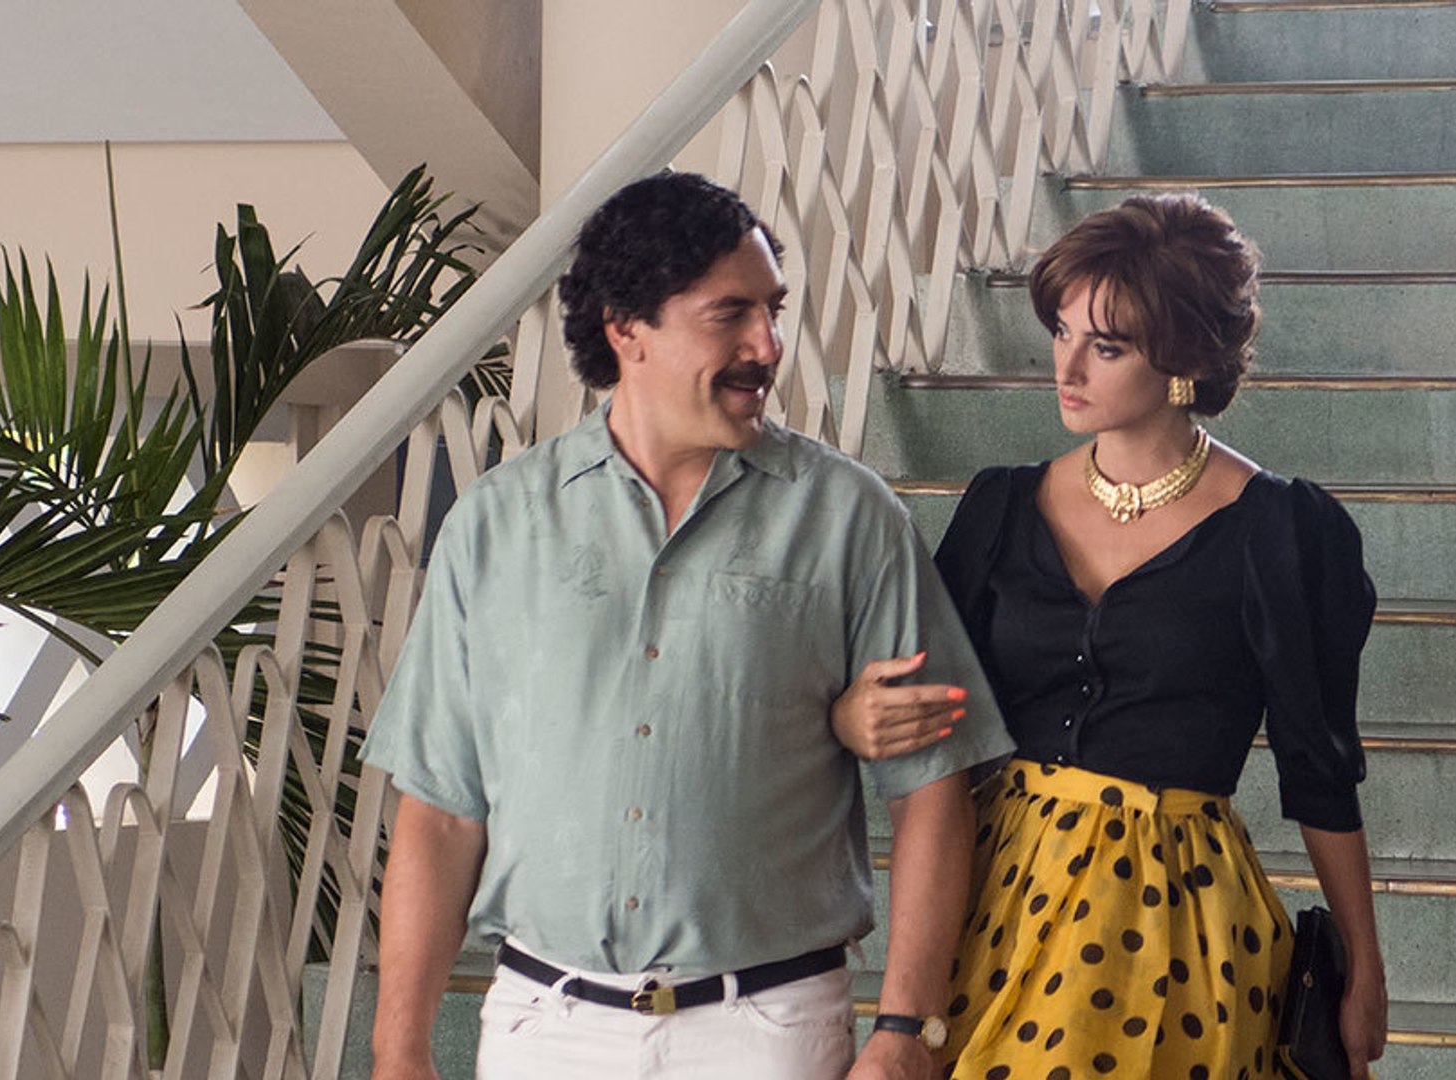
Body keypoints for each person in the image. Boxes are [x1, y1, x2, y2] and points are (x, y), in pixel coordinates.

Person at [361, 171, 1014, 1080]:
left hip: (767, 1028)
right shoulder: (496, 524)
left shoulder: (849, 517)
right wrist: (398, 1048)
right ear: (626, 328)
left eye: (773, 310)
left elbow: (933, 786)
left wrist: (907, 1028)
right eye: (730, 314)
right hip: (543, 1029)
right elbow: (438, 813)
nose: (768, 345)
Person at [834, 193, 1388, 1078]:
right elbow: (929, 723)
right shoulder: (1000, 506)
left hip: (1174, 917)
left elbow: (1318, 768)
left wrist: (1364, 965)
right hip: (997, 898)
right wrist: (851, 715)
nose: (1067, 366)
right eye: (1061, 331)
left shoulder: (1284, 531)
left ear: (1184, 360)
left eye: (1107, 345)